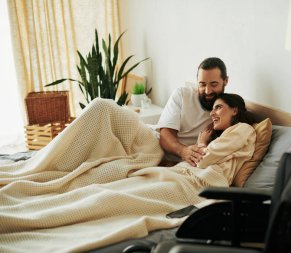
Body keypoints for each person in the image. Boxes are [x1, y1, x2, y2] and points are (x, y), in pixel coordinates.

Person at [0, 95, 256, 252]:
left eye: (220, 107)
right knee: (98, 190)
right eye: (213, 109)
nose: (213, 112)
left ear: (235, 109)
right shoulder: (224, 134)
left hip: (191, 186)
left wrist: (201, 143)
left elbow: (205, 160)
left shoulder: (244, 129)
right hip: (175, 175)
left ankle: (23, 222)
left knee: (105, 199)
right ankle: (16, 215)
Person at [157, 57, 229, 166]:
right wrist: (183, 151)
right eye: (202, 84)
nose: (207, 91)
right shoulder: (182, 94)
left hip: (179, 163)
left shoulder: (228, 110)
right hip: (154, 143)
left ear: (225, 81)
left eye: (214, 84)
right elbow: (165, 134)